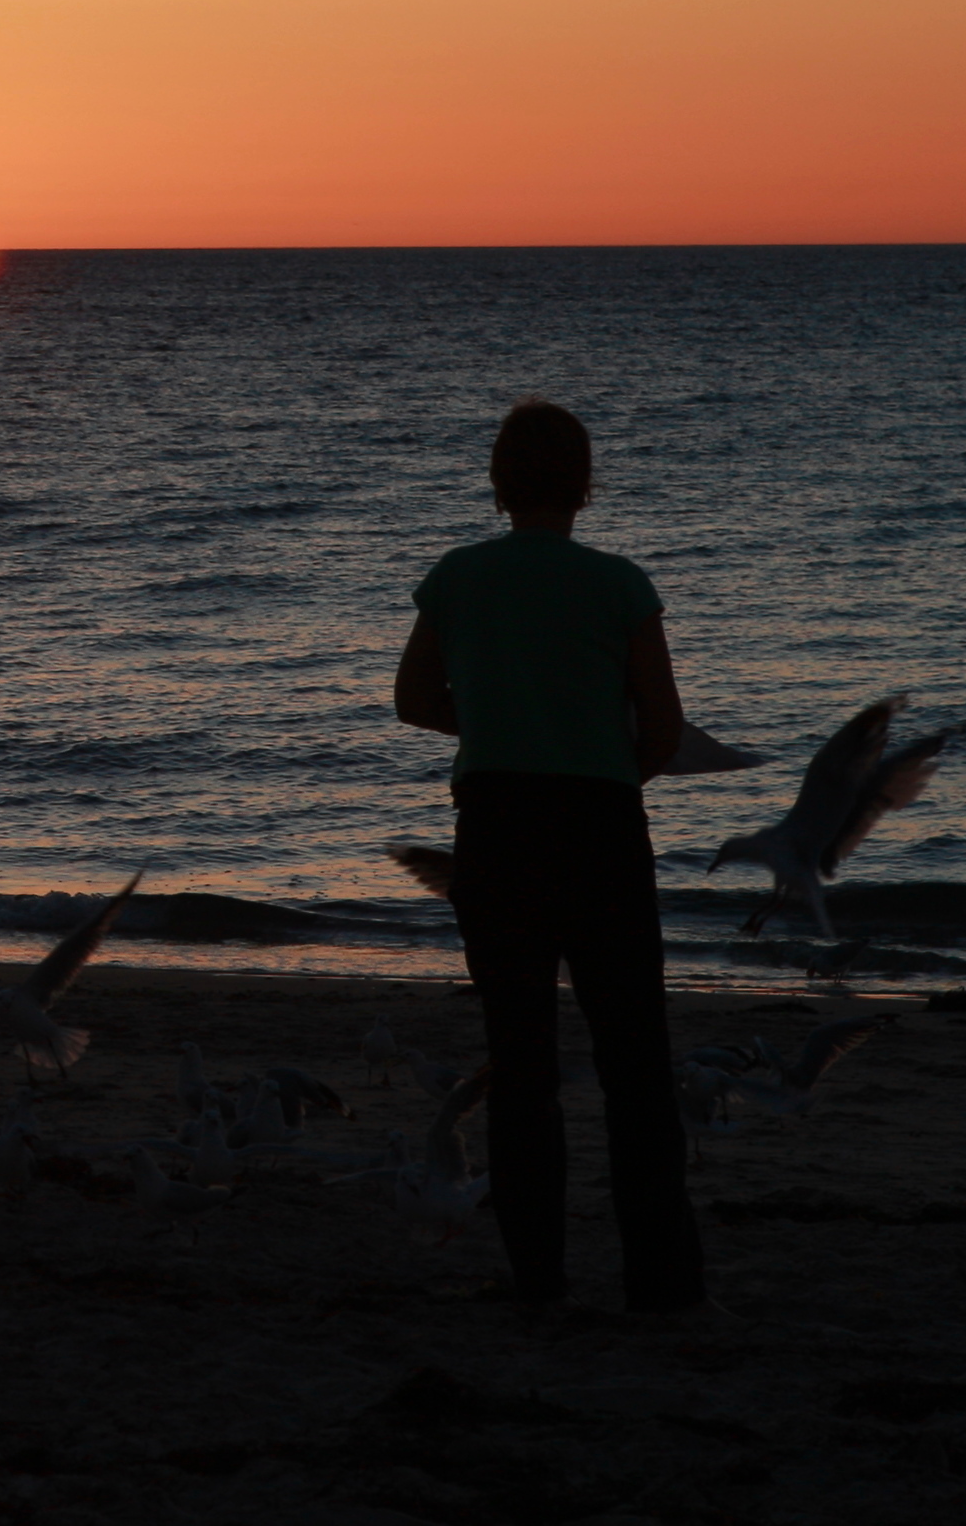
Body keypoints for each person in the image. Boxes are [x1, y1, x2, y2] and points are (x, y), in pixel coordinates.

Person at [393, 397, 707, 1313]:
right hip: (600, 823)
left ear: (497, 484)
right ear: (584, 485)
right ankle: (661, 1283)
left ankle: (539, 1281)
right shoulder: (619, 585)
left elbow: (414, 699)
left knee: (521, 1065)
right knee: (634, 1064)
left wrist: (497, 720)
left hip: (497, 826)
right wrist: (605, 760)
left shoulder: (457, 578)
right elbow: (665, 727)